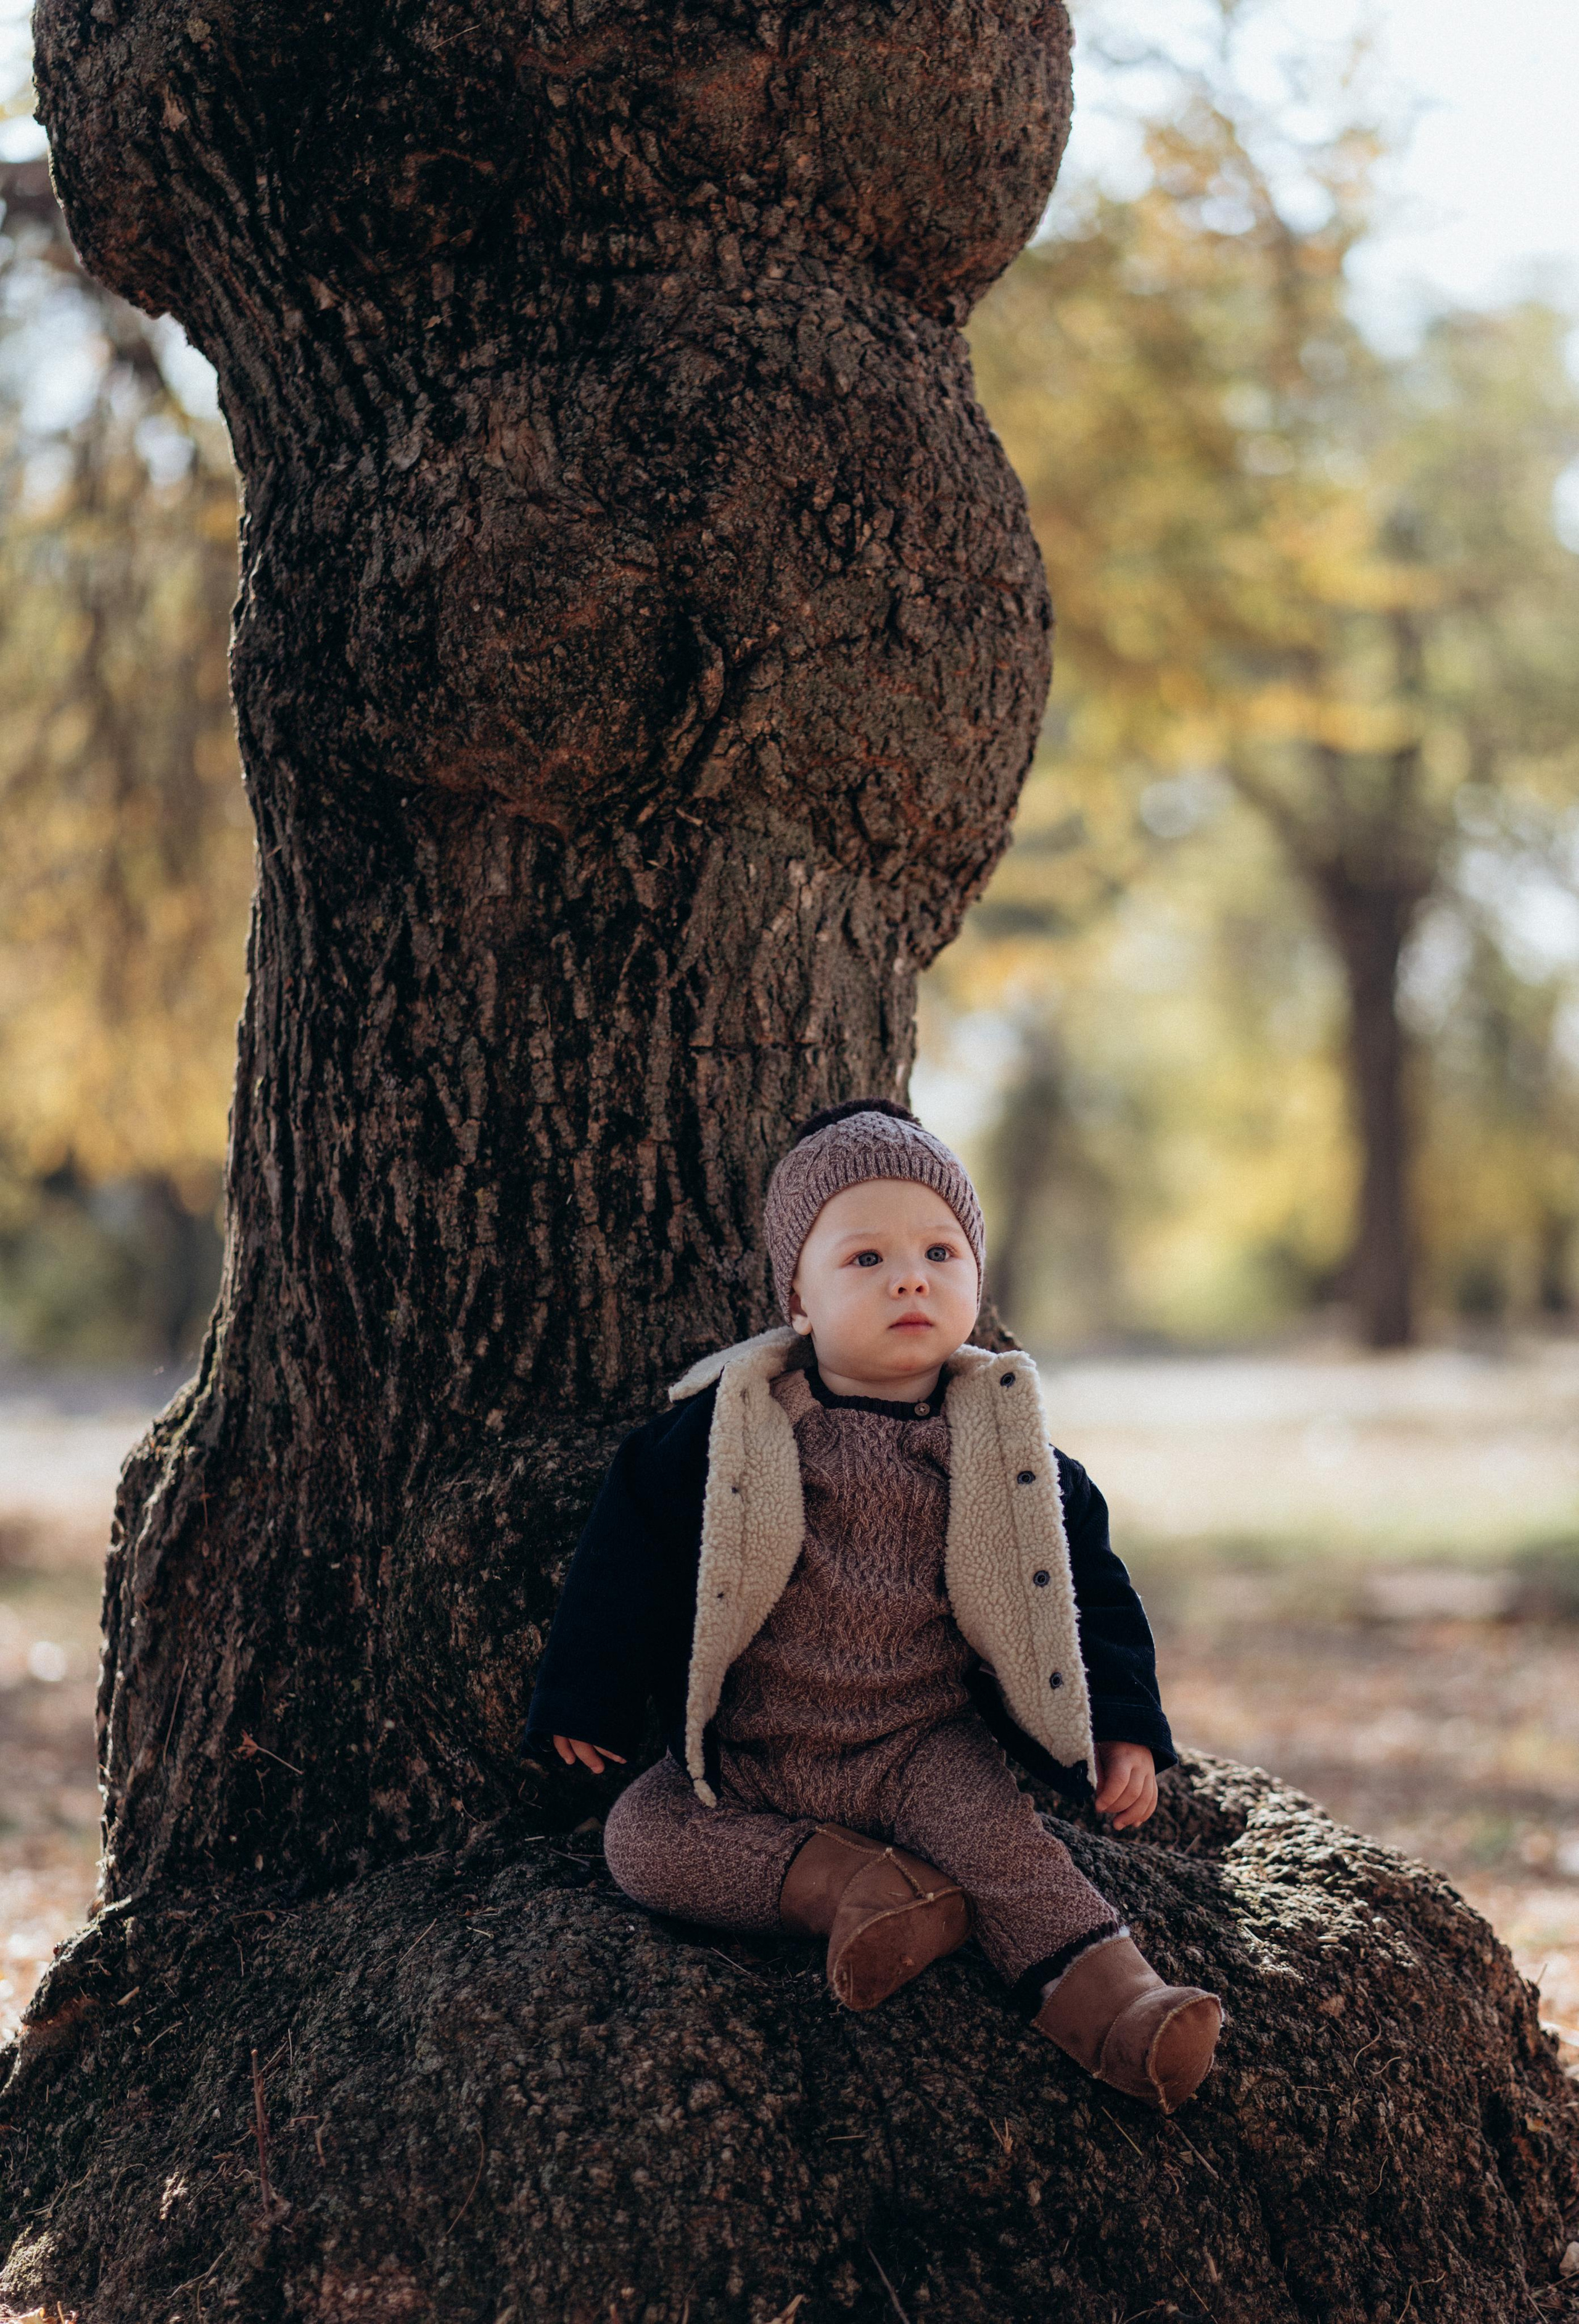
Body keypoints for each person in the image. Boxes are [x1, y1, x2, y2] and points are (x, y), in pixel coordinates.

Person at [522, 1101, 1222, 2112]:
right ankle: (857, 1891)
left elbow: (1088, 1593)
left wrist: (1122, 1727)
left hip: (920, 1744)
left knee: (1009, 1852)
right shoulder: (734, 1430)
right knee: (643, 1841)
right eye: (865, 1259)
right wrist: (585, 1694)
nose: (910, 1277)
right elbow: (625, 1555)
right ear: (795, 1301)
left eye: (942, 1252)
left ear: (977, 1283)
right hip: (750, 1748)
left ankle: (1125, 2012)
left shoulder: (1005, 1450)